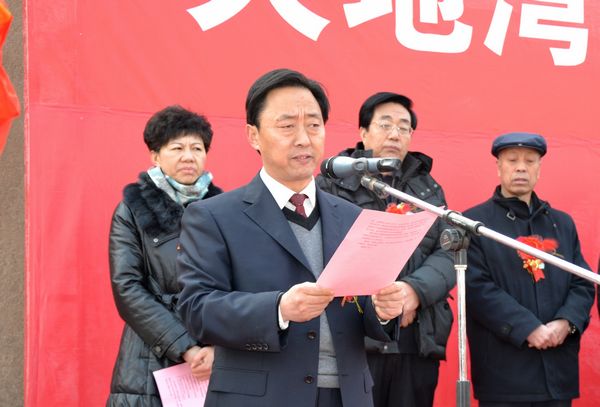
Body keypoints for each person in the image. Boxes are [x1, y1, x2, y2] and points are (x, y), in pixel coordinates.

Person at [176, 69, 405, 407]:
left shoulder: (352, 216)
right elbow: (197, 310)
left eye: (313, 125)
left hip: (348, 395)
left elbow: (360, 310)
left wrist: (383, 311)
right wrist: (279, 308)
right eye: (286, 126)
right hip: (262, 398)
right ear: (253, 136)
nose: (303, 139)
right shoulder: (213, 216)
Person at [317, 92, 455, 407]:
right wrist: (383, 303)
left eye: (404, 127)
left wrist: (413, 291)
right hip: (353, 340)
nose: (395, 134)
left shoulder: (428, 189)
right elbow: (322, 251)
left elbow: (449, 253)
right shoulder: (331, 185)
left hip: (415, 339)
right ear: (363, 132)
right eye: (385, 124)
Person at [464, 132, 595, 406]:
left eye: (530, 161)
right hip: (504, 375)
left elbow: (582, 282)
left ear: (539, 168)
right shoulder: (474, 223)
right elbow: (476, 289)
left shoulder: (562, 223)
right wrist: (528, 328)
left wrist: (566, 322)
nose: (521, 168)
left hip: (557, 372)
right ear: (499, 167)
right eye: (512, 160)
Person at [107, 105, 223, 406]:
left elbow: (241, 285)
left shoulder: (225, 209)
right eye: (177, 148)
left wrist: (218, 348)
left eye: (197, 148)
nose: (189, 156)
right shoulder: (133, 209)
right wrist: (186, 347)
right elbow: (127, 287)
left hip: (215, 359)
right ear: (155, 156)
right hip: (149, 360)